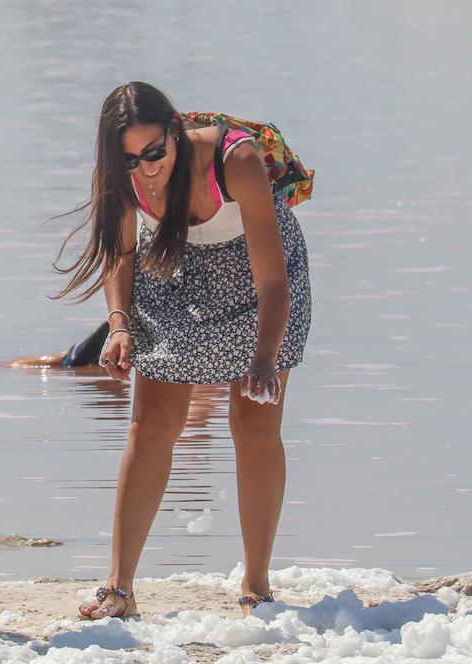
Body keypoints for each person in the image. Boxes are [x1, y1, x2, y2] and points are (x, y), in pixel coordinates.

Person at [54, 82, 312, 620]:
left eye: (156, 152)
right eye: (130, 158)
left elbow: (273, 283)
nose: (146, 168)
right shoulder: (121, 172)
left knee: (255, 422)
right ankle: (119, 587)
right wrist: (119, 325)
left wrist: (263, 359)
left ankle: (256, 587)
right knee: (150, 425)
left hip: (258, 280)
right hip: (172, 271)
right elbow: (120, 254)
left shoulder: (235, 159)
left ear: (175, 129)